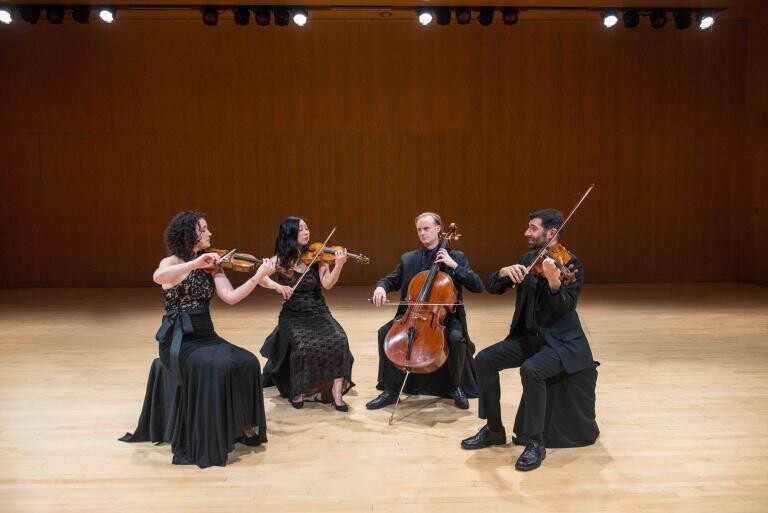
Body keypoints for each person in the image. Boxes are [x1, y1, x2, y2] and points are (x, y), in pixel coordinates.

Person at [121, 210, 273, 468]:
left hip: (206, 335)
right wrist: (195, 263)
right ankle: (211, 434)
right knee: (219, 367)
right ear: (190, 233)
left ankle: (244, 426)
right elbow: (158, 277)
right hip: (180, 341)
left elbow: (231, 297)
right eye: (204, 229)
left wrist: (257, 277)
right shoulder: (172, 263)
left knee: (248, 361)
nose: (210, 233)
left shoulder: (213, 264)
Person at [460, 209, 596, 472]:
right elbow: (493, 287)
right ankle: (493, 429)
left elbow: (565, 308)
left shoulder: (571, 265)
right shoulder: (527, 258)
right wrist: (501, 272)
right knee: (485, 360)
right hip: (529, 338)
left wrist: (556, 284)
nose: (527, 232)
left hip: (561, 343)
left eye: (533, 228)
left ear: (552, 232)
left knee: (531, 370)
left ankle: (535, 443)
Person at [367, 212, 483, 410]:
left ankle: (456, 387)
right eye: (419, 230)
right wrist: (381, 287)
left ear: (438, 229)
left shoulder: (456, 257)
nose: (422, 233)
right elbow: (390, 279)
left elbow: (477, 285)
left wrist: (453, 265)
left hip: (444, 318)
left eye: (426, 228)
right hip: (411, 315)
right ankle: (391, 390)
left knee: (455, 338)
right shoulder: (409, 258)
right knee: (384, 332)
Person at [259, 217, 354, 412]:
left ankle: (336, 392)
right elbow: (261, 278)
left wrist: (339, 265)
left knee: (339, 339)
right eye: (300, 229)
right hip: (293, 315)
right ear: (290, 234)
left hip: (318, 311)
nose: (306, 232)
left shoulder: (318, 256)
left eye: (307, 228)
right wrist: (279, 287)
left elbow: (327, 284)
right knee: (302, 347)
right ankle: (298, 389)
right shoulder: (280, 259)